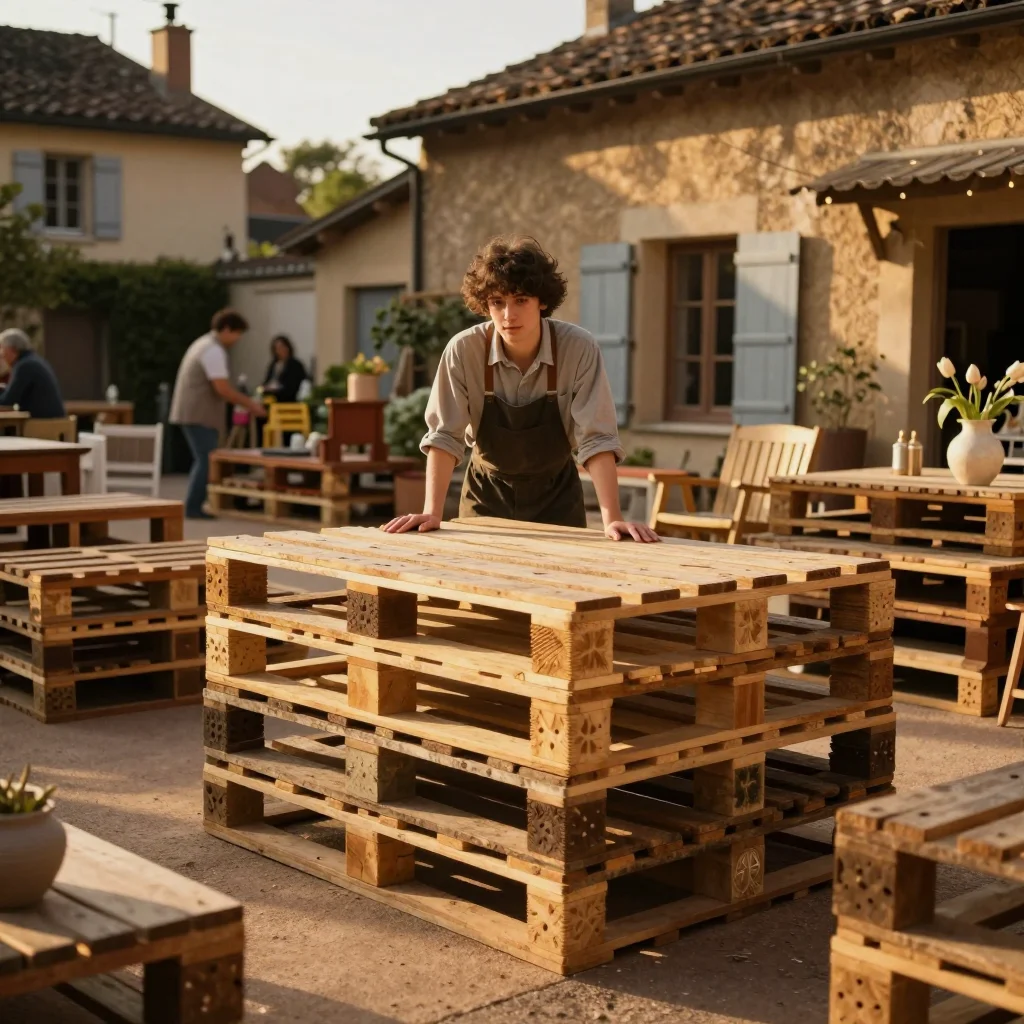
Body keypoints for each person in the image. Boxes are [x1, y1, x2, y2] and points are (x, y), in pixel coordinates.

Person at [382, 236, 660, 542]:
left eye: (521, 300)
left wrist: (613, 519)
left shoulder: (578, 348)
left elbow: (596, 438)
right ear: (485, 305)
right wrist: (432, 512)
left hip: (558, 499)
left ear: (542, 301)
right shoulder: (463, 350)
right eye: (497, 302)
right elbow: (445, 435)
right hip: (485, 497)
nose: (508, 315)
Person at [169, 309, 265, 520]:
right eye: (237, 334)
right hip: (198, 414)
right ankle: (193, 507)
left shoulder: (203, 344)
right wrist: (251, 405)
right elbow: (222, 388)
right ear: (227, 329)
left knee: (204, 458)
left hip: (192, 412)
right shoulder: (213, 350)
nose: (238, 339)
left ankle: (195, 504)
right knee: (206, 459)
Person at [0, 328, 66, 418]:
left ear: (12, 349)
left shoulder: (24, 366)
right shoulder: (32, 361)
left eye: (2, 348)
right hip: (52, 420)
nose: (2, 354)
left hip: (44, 422)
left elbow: (7, 402)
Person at [261, 334, 307, 403]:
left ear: (288, 348)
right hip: (272, 398)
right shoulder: (273, 365)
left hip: (288, 399)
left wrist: (278, 388)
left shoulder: (295, 365)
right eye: (277, 348)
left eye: (282, 347)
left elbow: (293, 385)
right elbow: (267, 380)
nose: (280, 350)